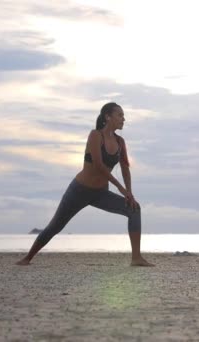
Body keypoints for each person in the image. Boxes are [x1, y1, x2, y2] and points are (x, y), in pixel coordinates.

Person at [16, 102, 154, 266]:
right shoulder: (95, 135)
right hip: (79, 191)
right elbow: (98, 165)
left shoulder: (120, 142)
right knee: (55, 226)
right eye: (120, 115)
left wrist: (129, 193)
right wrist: (120, 188)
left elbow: (125, 168)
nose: (124, 119)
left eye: (123, 116)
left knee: (134, 209)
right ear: (107, 117)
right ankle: (27, 258)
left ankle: (136, 258)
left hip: (100, 194)